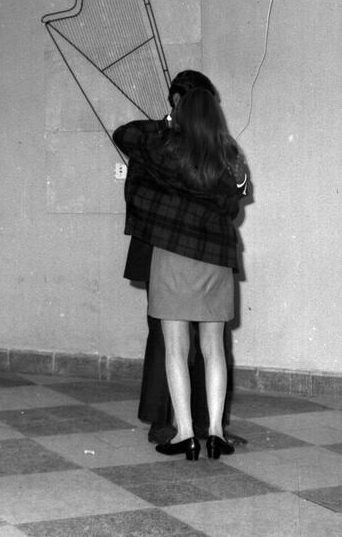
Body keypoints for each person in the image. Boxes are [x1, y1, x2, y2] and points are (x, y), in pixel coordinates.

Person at [114, 82, 248, 461]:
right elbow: (235, 200)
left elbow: (124, 134)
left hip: (174, 255)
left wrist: (168, 122)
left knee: (175, 347)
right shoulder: (230, 154)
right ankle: (217, 433)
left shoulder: (167, 147)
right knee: (214, 349)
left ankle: (185, 434)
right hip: (217, 257)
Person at [127, 71, 216, 445]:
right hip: (161, 248)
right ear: (176, 102)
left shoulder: (207, 144)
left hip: (198, 253)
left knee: (206, 338)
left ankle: (202, 421)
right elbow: (135, 194)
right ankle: (163, 420)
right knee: (166, 337)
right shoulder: (156, 141)